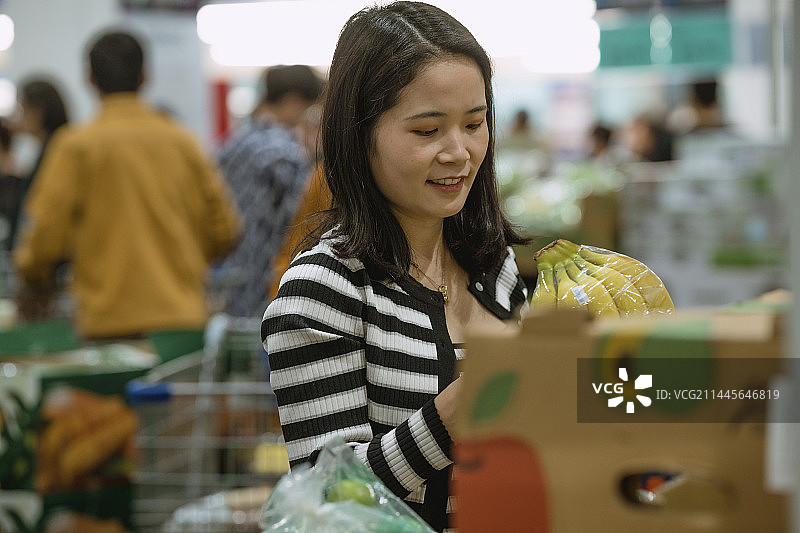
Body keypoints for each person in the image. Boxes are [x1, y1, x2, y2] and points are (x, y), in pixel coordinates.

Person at [261, 3, 530, 531]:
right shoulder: (323, 291)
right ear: (360, 136)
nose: (459, 152)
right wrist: (449, 418)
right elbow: (326, 501)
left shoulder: (491, 265)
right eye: (427, 131)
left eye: (474, 123)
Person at [13, 30, 241, 338]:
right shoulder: (184, 142)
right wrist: (181, 262)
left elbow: (43, 237)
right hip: (183, 323)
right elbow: (225, 230)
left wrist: (33, 276)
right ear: (145, 76)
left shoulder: (76, 147)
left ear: (90, 79)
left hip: (109, 325)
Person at [215, 64, 324, 318]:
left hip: (231, 278)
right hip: (267, 285)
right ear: (292, 101)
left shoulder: (234, 143)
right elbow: (302, 222)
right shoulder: (284, 154)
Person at [4, 78, 70, 250]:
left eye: (21, 108)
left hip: (46, 254)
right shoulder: (49, 148)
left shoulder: (58, 151)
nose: (17, 117)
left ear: (37, 110)